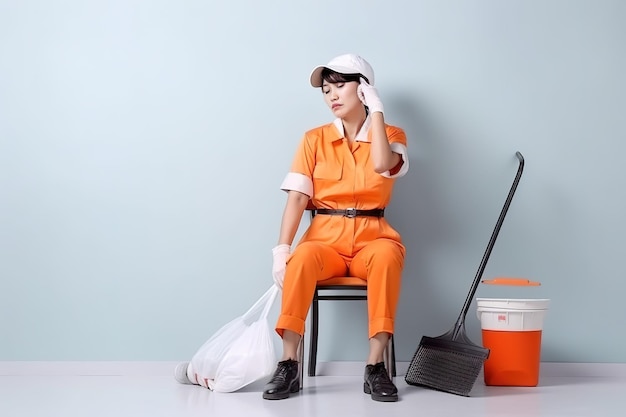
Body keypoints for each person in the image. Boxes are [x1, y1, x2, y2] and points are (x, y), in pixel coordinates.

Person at [262, 54, 409, 402]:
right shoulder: (313, 139)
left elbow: (381, 164)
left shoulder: (392, 134)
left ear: (365, 89)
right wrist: (282, 250)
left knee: (388, 256)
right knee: (302, 257)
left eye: (340, 85)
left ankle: (375, 367)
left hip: (374, 238)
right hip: (324, 240)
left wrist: (376, 111)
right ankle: (288, 363)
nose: (331, 96)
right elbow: (298, 199)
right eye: (326, 90)